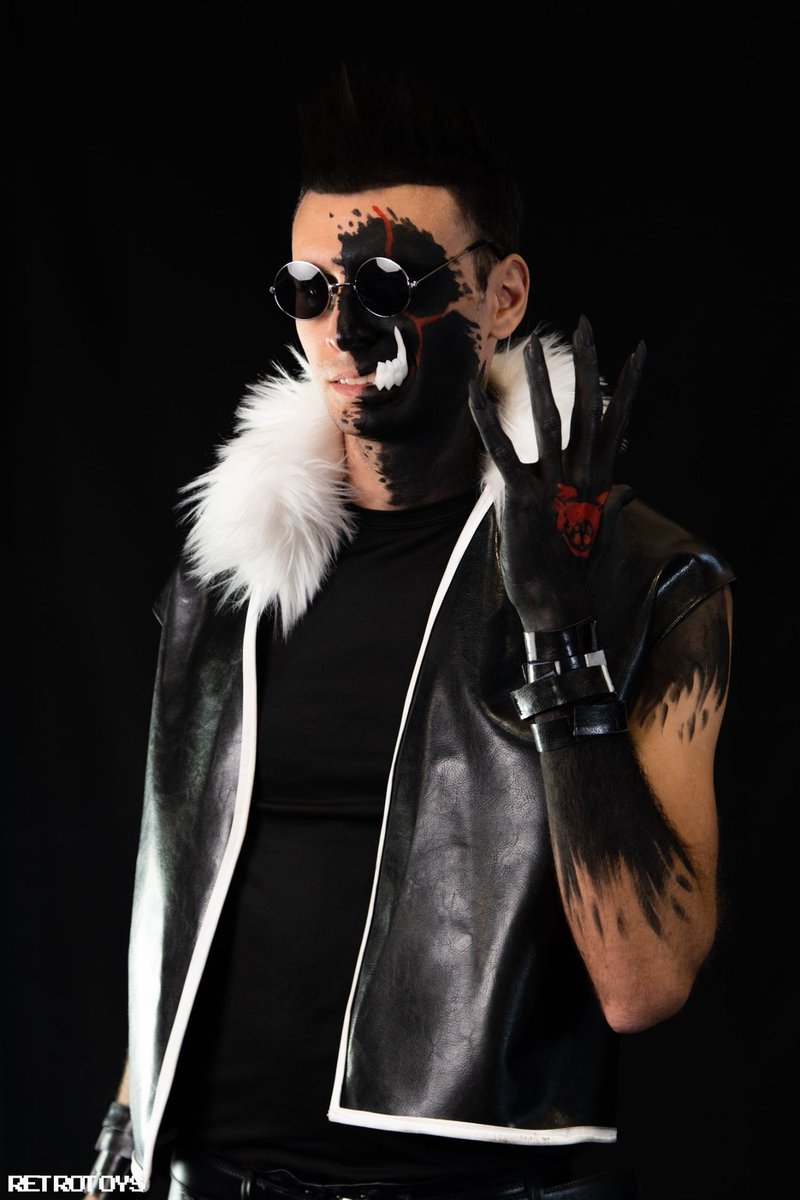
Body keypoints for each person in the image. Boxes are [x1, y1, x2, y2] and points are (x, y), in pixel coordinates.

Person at [87, 66, 734, 1200]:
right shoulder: (231, 573)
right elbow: (186, 898)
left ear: (502, 296)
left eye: (392, 284)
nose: (345, 333)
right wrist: (119, 1146)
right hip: (196, 1175)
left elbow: (644, 983)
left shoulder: (647, 579)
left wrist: (560, 637)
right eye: (309, 290)